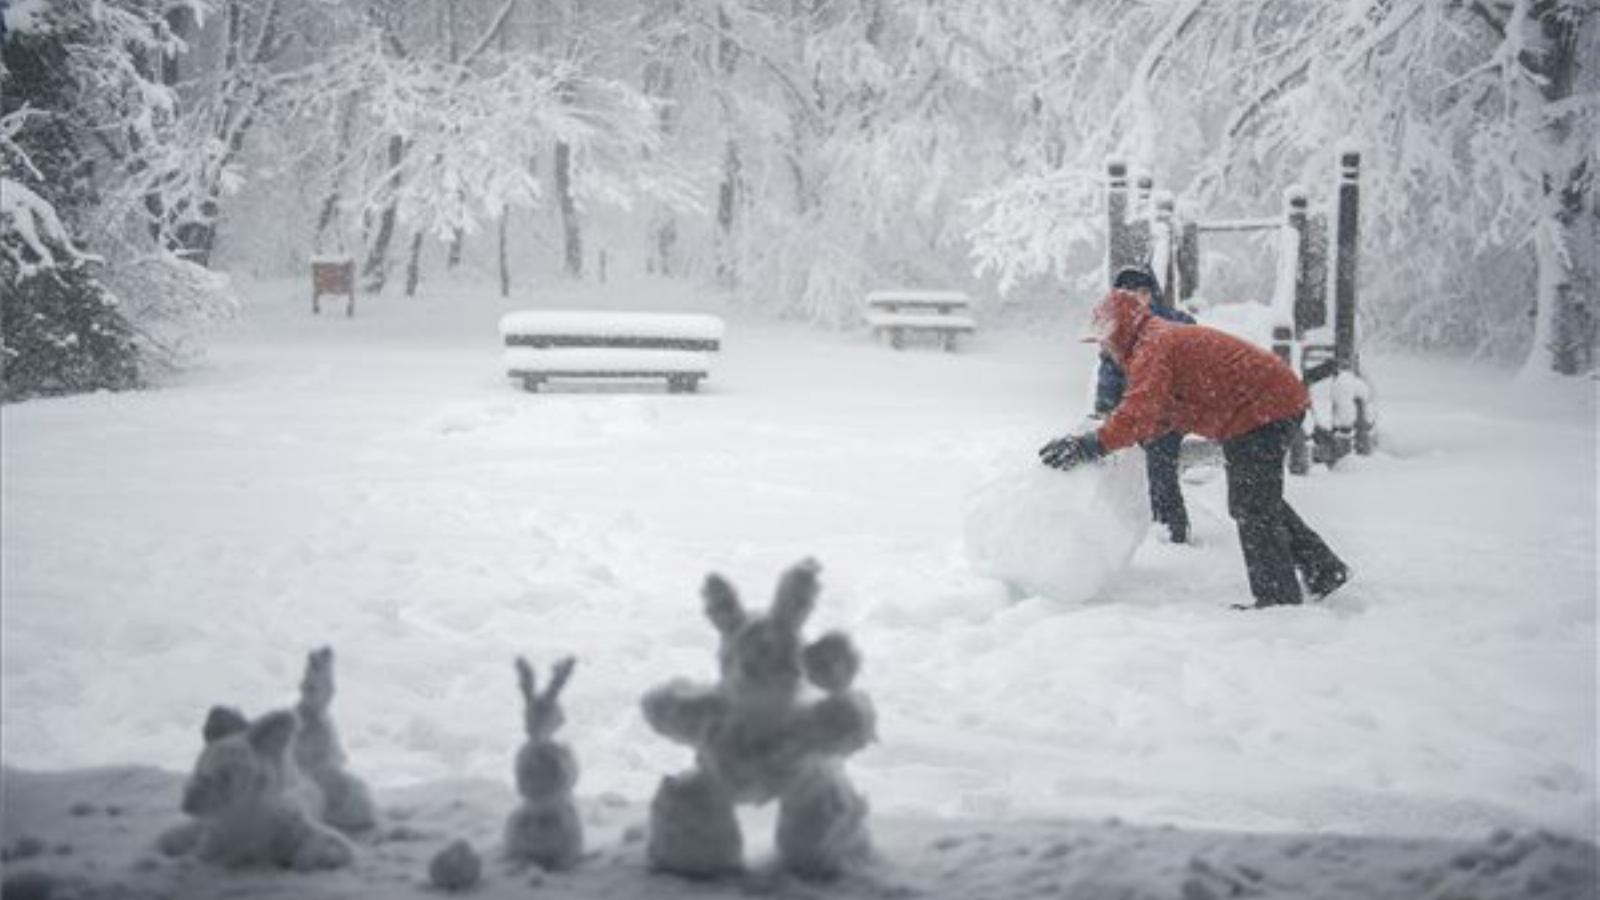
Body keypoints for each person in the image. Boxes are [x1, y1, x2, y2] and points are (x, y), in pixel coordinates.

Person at [1039, 287, 1350, 609]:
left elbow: (1139, 413)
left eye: (1105, 338)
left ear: (1121, 329)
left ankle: (1278, 599)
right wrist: (1137, 436)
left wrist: (1089, 445)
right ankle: (1323, 570)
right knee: (1259, 499)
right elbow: (1173, 405)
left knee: (1252, 505)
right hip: (1261, 407)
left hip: (1263, 409)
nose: (1103, 348)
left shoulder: (1153, 346)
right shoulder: (1152, 341)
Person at [1095, 266, 1195, 544]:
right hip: (1139, 405)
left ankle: (1171, 527)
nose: (1137, 300)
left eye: (1143, 293)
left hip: (1172, 407)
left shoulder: (1174, 323)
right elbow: (1110, 370)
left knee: (1161, 464)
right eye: (1128, 294)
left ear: (1152, 295)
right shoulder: (1117, 327)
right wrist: (1105, 405)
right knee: (1129, 460)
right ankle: (1139, 522)